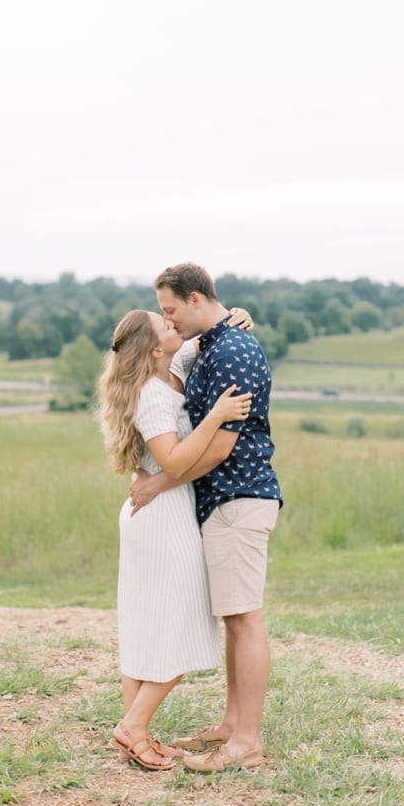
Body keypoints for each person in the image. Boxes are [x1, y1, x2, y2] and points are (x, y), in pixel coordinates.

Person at [129, 262, 283, 773]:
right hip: (220, 501)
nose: (168, 321)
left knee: (244, 619)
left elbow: (218, 448)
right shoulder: (212, 346)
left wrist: (158, 482)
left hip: (238, 496)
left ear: (196, 299)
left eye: (171, 310)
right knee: (234, 620)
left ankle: (247, 743)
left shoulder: (233, 351)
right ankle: (230, 726)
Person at [97, 308, 253, 770]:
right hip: (162, 518)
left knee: (147, 626)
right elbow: (177, 460)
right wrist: (219, 415)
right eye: (166, 326)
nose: (174, 327)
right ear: (153, 348)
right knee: (180, 623)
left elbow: (203, 331)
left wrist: (238, 315)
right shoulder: (153, 397)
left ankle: (136, 733)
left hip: (157, 513)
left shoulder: (172, 369)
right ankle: (132, 728)